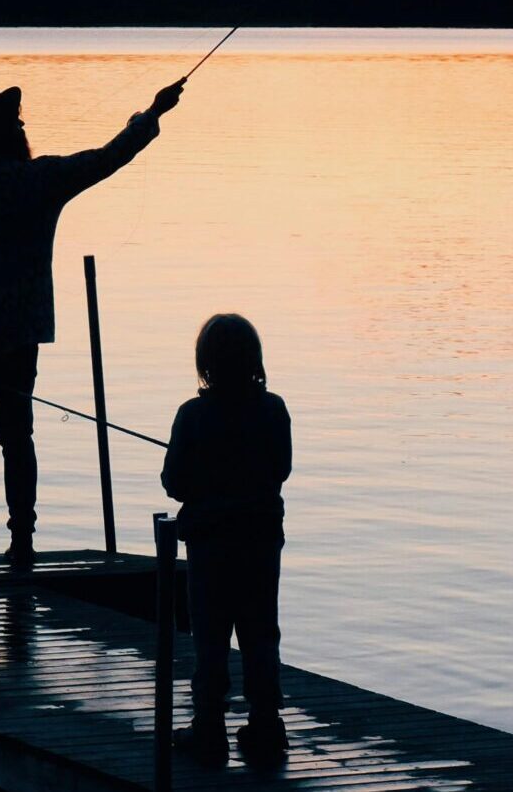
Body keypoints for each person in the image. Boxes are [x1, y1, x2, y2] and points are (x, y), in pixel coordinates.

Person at [0, 78, 186, 571]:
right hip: (18, 338)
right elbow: (109, 157)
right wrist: (153, 114)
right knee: (17, 440)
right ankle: (23, 543)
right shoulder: (41, 181)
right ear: (13, 134)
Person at [160, 313, 292, 767]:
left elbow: (173, 481)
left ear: (206, 363)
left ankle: (209, 727)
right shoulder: (274, 409)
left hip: (210, 545)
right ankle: (267, 725)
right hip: (260, 544)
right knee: (260, 633)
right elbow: (281, 470)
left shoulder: (192, 415)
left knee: (210, 636)